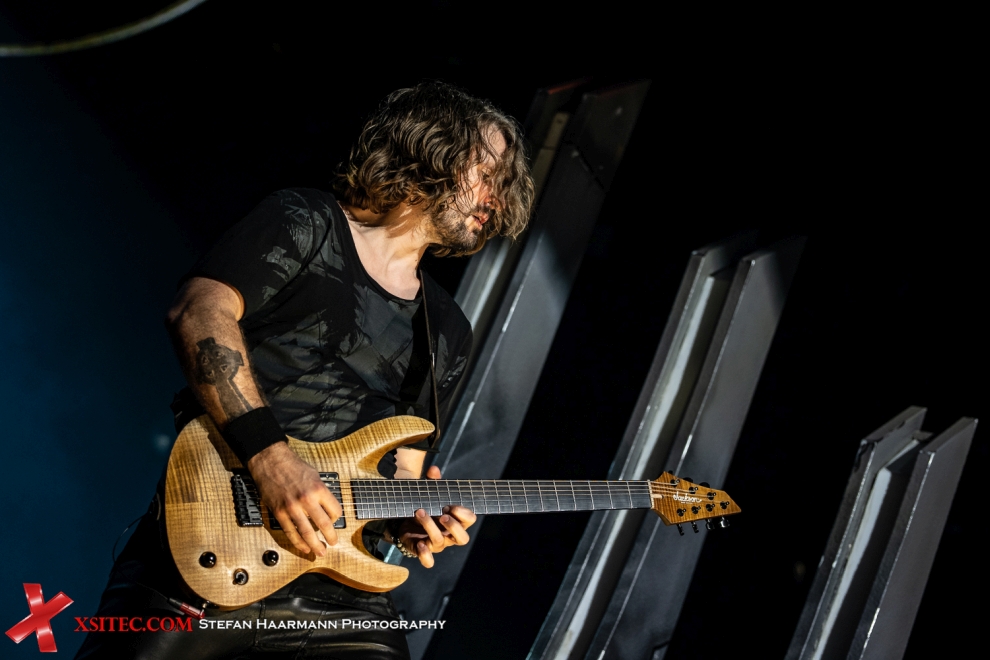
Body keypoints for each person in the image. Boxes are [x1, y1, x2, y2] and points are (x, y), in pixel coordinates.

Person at [75, 81, 534, 659]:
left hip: (341, 601)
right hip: (206, 558)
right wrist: (270, 458)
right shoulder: (305, 221)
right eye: (487, 173)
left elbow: (403, 471)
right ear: (432, 147)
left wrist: (410, 522)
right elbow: (198, 312)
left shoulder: (447, 328)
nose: (497, 198)